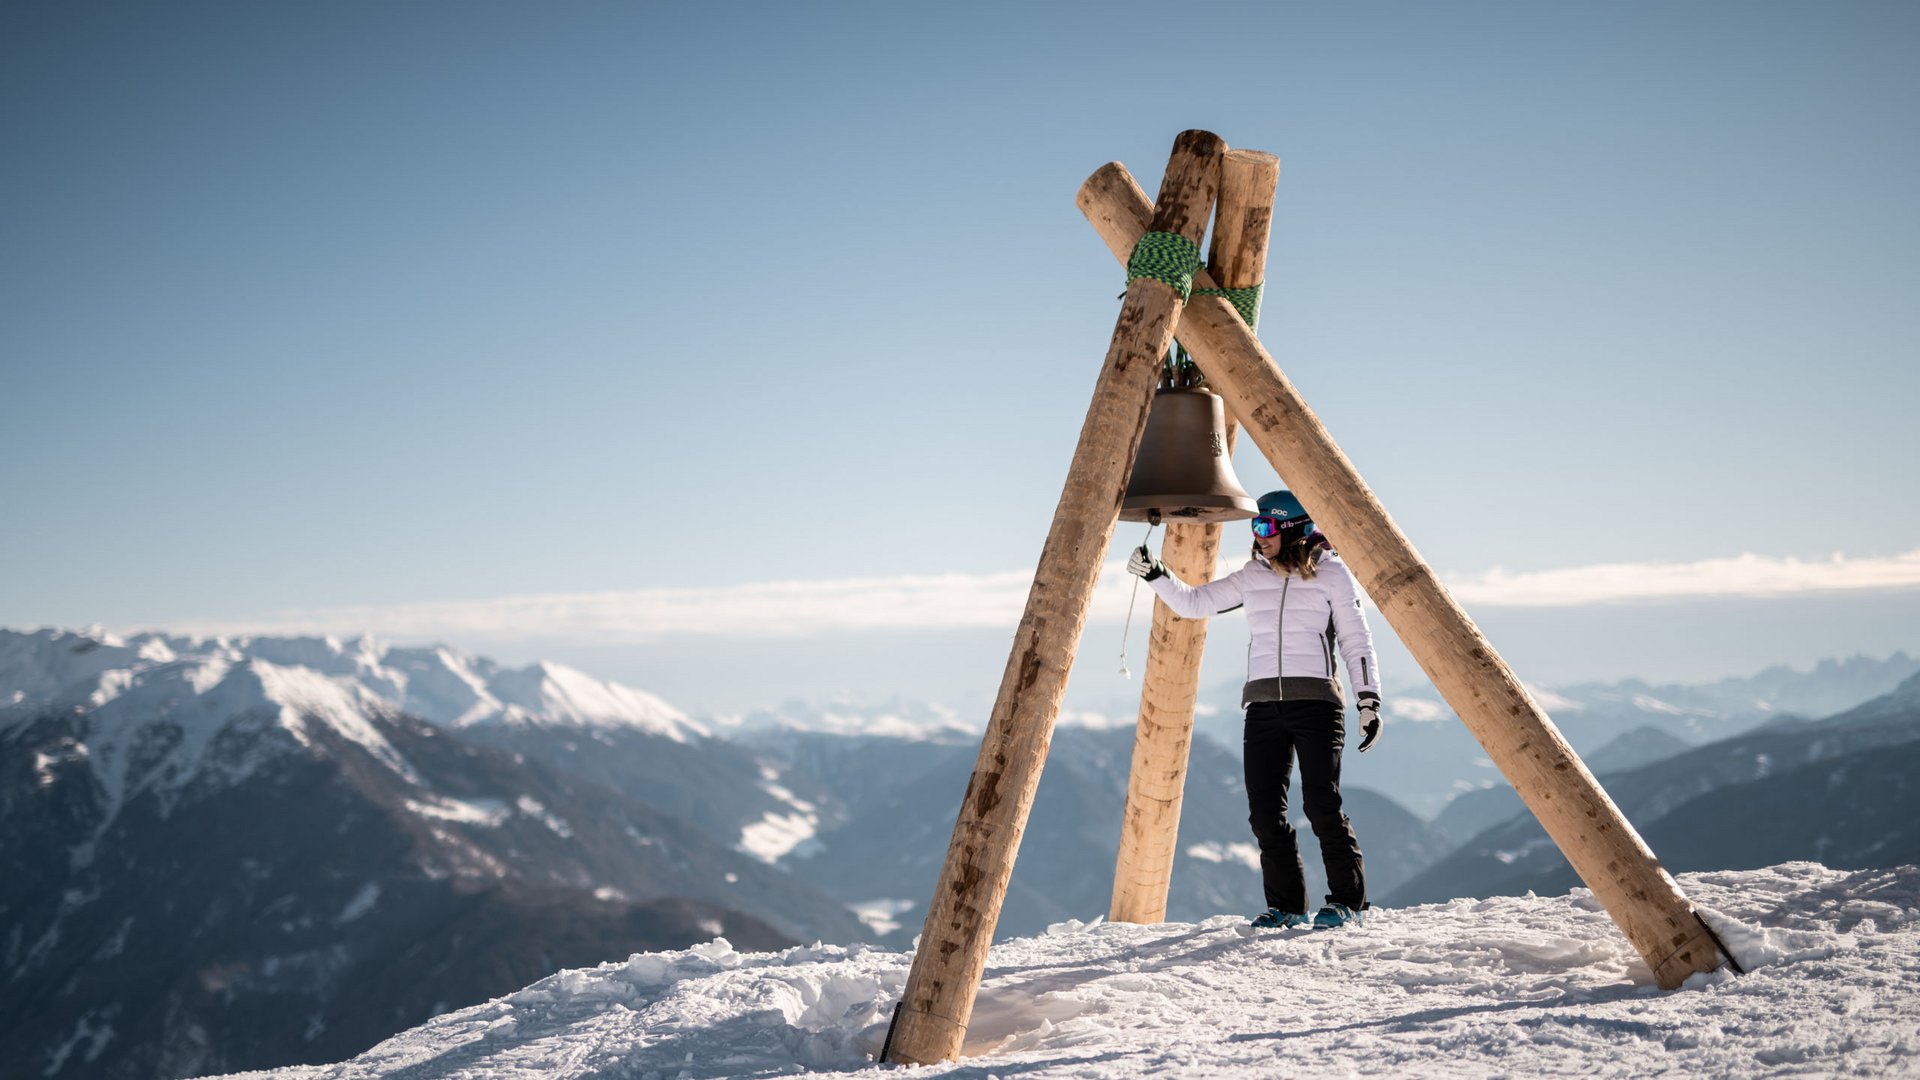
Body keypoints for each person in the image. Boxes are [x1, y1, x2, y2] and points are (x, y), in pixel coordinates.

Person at [1126, 489, 1383, 930]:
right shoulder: (1252, 575)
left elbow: (1357, 639)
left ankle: (1348, 901)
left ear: (1292, 530)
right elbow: (1195, 603)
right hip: (1263, 706)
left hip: (1317, 705)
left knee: (1322, 805)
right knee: (1265, 814)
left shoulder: (1333, 575)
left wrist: (1368, 700)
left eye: (1265, 527)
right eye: (1254, 526)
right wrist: (1156, 575)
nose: (1257, 536)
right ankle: (1287, 906)